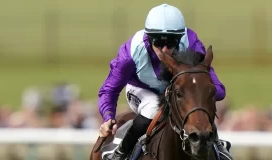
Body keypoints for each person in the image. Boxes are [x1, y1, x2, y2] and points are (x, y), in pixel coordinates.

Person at [98, 3, 233, 160]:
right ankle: (120, 153)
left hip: (179, 91)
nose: (164, 50)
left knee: (198, 105)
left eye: (170, 43)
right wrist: (108, 117)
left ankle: (217, 147)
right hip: (141, 90)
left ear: (180, 38)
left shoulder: (191, 44)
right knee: (152, 109)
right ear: (149, 38)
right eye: (158, 42)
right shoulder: (131, 52)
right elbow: (109, 89)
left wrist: (199, 94)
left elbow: (217, 89)